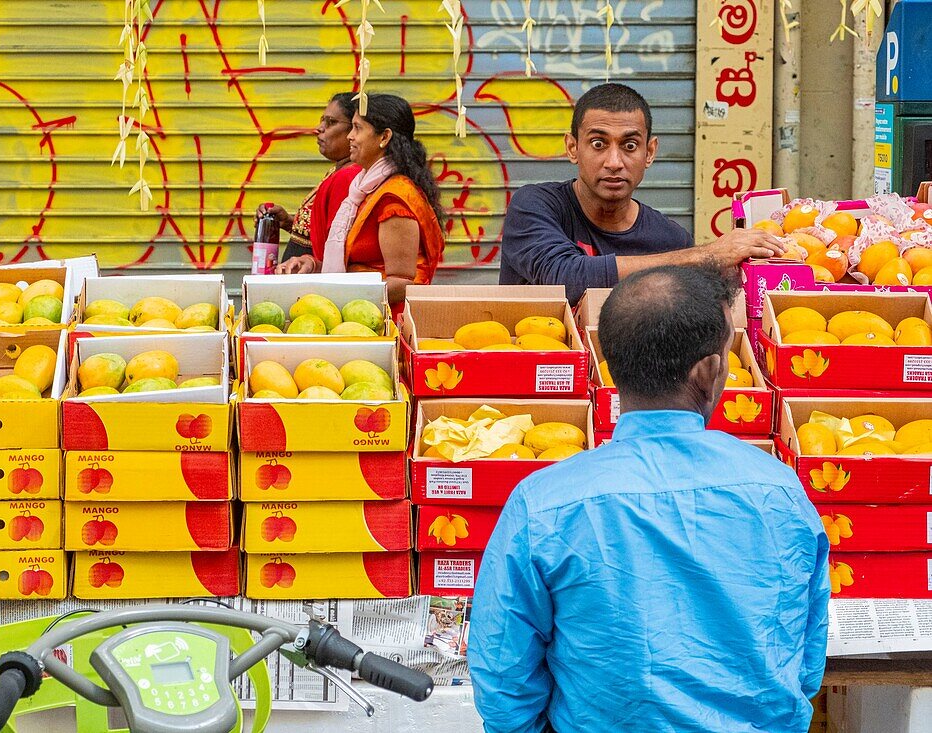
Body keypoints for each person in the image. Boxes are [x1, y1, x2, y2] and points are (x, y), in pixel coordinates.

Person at [469, 265, 830, 733]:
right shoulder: (779, 490)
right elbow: (805, 663)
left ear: (607, 358)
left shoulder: (544, 504)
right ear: (710, 369)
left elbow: (503, 677)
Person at [499, 83, 785, 303]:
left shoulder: (670, 240)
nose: (614, 162)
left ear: (650, 152)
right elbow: (563, 277)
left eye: (630, 146)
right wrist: (707, 255)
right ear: (573, 148)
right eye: (598, 144)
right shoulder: (534, 206)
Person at [276, 93, 445, 309]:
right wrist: (312, 264)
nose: (350, 136)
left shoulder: (394, 200)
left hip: (385, 323)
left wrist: (340, 293)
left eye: (357, 128)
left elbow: (403, 284)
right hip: (358, 315)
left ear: (384, 137)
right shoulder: (365, 188)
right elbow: (356, 267)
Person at [256, 93, 361, 262]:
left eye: (331, 122)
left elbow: (334, 244)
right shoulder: (337, 170)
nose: (319, 128)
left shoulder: (348, 177)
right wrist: (289, 223)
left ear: (355, 130)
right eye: (322, 120)